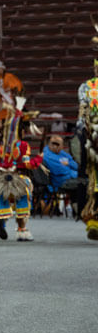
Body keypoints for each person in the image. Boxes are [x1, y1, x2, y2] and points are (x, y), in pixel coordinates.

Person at [0, 99, 37, 241]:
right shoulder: (23, 145)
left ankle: (1, 220)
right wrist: (38, 160)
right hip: (19, 179)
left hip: (0, 180)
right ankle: (22, 229)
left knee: (4, 201)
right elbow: (27, 164)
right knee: (23, 198)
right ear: (20, 130)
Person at [79, 31, 98, 240]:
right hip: (94, 139)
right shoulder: (88, 87)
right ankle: (94, 220)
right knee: (95, 182)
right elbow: (82, 112)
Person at [42, 135, 86, 213]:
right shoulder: (47, 156)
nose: (56, 146)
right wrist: (72, 169)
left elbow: (75, 165)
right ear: (51, 145)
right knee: (84, 183)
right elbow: (62, 171)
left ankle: (79, 209)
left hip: (71, 177)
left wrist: (68, 164)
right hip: (60, 182)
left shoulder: (62, 153)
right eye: (53, 144)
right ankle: (80, 209)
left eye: (60, 145)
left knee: (85, 181)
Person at [0, 60, 23, 128]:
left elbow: (18, 86)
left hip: (9, 103)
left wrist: (11, 88)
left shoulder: (9, 77)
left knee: (9, 122)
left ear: (3, 68)